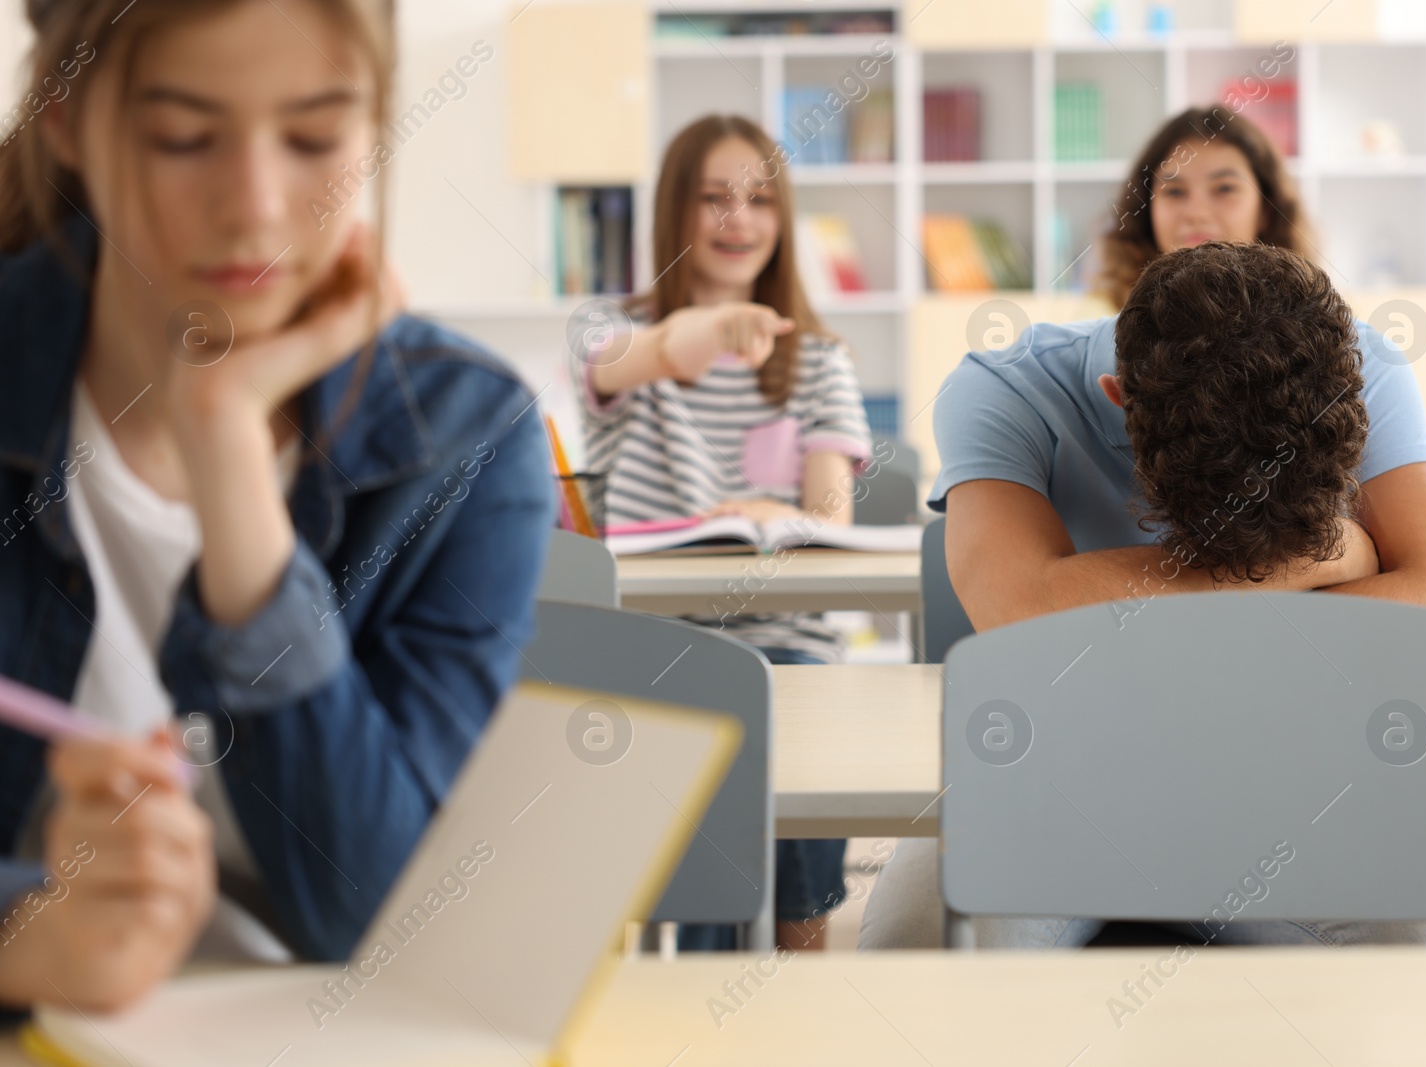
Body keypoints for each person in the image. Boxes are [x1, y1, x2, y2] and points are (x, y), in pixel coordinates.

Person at [0, 0, 554, 1011]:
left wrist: (223, 442)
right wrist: (20, 942)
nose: (254, 207)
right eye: (183, 137)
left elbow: (380, 912)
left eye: (313, 136)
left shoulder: (468, 434)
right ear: (67, 116)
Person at [858, 241, 1426, 950]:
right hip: (1056, 772)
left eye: (1283, 551)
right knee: (918, 951)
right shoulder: (1004, 387)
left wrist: (1128, 604)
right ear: (1120, 401)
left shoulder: (1358, 364)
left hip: (1297, 774)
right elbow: (1023, 612)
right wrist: (1337, 551)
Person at [574, 114, 874, 952]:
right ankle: (706, 981)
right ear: (673, 212)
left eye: (759, 201)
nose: (738, 219)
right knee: (708, 727)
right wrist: (700, 335)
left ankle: (796, 951)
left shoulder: (818, 358)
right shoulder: (609, 334)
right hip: (658, 642)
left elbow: (831, 520)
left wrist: (788, 518)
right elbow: (634, 358)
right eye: (713, 199)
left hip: (787, 640)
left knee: (783, 710)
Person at [1093, 105, 1313, 311]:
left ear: (1266, 210)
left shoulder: (1316, 320)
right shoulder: (1099, 319)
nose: (1196, 214)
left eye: (1225, 189)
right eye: (1174, 191)